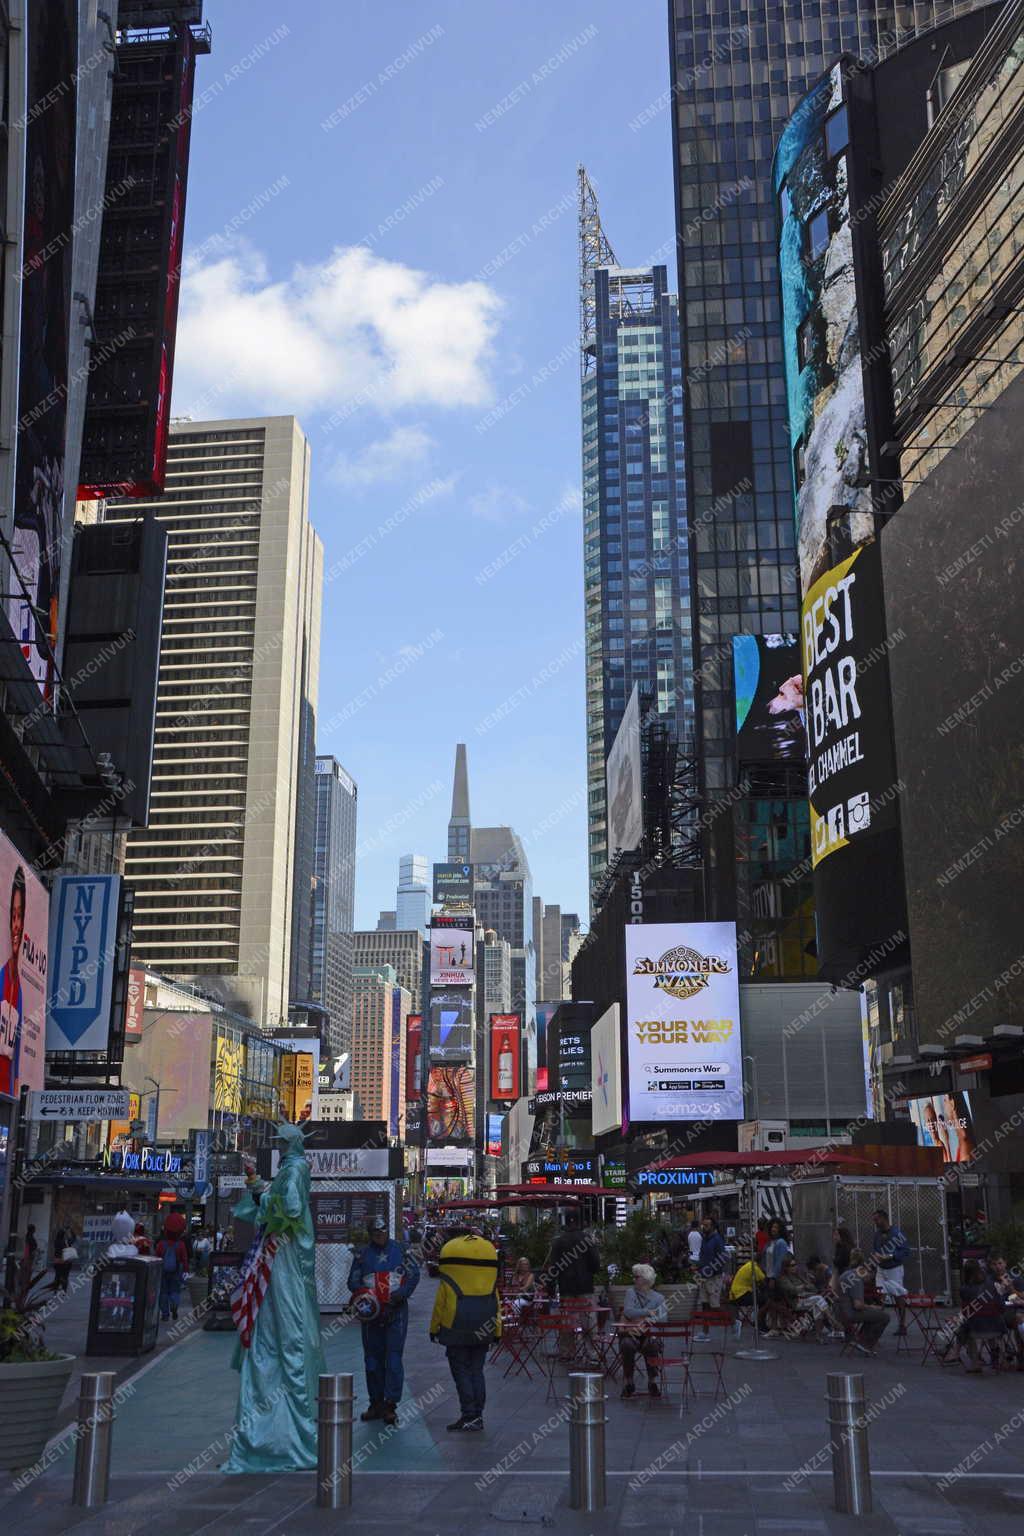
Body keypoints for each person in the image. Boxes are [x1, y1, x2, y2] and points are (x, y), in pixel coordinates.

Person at [224, 1122, 326, 1473]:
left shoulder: (295, 1168)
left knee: (286, 1332)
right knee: (280, 1331)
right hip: (281, 1256)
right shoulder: (293, 1167)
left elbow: (291, 1209)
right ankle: (281, 1430)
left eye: (282, 1142)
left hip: (282, 1255)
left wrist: (260, 1196)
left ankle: (284, 1434)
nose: (279, 1146)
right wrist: (261, 1191)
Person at [348, 1215, 419, 1427]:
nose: (380, 1236)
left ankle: (390, 1404)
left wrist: (398, 1296)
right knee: (372, 1360)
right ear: (371, 1234)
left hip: (396, 1312)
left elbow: (414, 1275)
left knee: (394, 1358)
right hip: (372, 1313)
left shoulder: (401, 1250)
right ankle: (376, 1403)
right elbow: (352, 1281)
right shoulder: (362, 1254)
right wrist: (368, 1297)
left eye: (383, 1231)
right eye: (376, 1233)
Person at [429, 1224, 501, 1434]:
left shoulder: (448, 1275)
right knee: (477, 1371)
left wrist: (434, 1329)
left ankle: (469, 1414)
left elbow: (440, 1304)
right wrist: (497, 1331)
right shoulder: (489, 1270)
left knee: (461, 1370)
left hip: (455, 1325)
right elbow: (496, 1301)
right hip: (484, 1323)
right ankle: (477, 1414)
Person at [619, 1263, 667, 1398]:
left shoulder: (659, 1297)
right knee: (626, 1345)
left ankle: (652, 1382)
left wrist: (640, 1317)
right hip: (631, 1333)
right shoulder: (631, 1293)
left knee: (651, 1345)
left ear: (645, 1279)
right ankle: (629, 1382)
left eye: (636, 1277)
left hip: (651, 1334)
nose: (634, 1279)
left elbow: (663, 1320)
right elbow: (628, 1312)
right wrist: (648, 1312)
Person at [0, 865, 26, 1097]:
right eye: (13, 916)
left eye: (21, 916)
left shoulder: (20, 993)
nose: (16, 924)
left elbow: (17, 1064)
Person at [836, 1250, 890, 1354]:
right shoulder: (857, 1279)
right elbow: (858, 1305)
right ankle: (866, 1343)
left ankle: (859, 1339)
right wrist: (872, 1307)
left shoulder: (846, 1273)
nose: (869, 1280)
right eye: (870, 1277)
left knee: (873, 1316)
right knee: (884, 1317)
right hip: (850, 1314)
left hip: (840, 1312)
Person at [543, 1212, 600, 1302]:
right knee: (586, 1314)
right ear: (579, 1223)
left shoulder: (558, 1241)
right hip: (585, 1285)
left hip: (566, 1287)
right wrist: (591, 1273)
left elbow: (553, 1267)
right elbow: (595, 1261)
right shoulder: (587, 1239)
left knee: (568, 1315)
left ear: (566, 1223)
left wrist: (551, 1289)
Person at [871, 1208, 910, 1335]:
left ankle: (902, 1324)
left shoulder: (896, 1233)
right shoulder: (877, 1234)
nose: (875, 1222)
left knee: (898, 1296)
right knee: (879, 1296)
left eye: (876, 1220)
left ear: (883, 1219)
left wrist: (890, 1256)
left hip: (894, 1269)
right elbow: (876, 1249)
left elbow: (905, 1251)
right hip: (881, 1269)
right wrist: (876, 1257)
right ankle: (875, 1325)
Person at [776, 1255, 830, 1340]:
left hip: (807, 1298)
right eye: (792, 1265)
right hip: (796, 1302)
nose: (794, 1267)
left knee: (818, 1306)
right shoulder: (783, 1279)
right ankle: (832, 1321)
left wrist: (804, 1286)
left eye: (795, 1265)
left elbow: (813, 1288)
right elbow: (792, 1290)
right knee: (819, 1299)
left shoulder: (799, 1275)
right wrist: (804, 1286)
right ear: (786, 1267)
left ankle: (818, 1335)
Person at [693, 1215, 727, 1339]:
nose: (704, 1227)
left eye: (707, 1225)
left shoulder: (717, 1239)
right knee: (705, 1304)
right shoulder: (705, 1238)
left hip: (713, 1277)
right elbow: (703, 1256)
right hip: (704, 1276)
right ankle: (705, 1332)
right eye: (703, 1225)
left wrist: (711, 1269)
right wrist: (698, 1267)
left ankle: (733, 1322)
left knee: (714, 1305)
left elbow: (722, 1257)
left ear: (712, 1226)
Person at [155, 1211, 189, 1321]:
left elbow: (157, 1257)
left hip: (163, 1271)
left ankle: (165, 1314)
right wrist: (186, 1270)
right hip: (176, 1270)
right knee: (175, 1290)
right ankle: (174, 1306)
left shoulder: (161, 1244)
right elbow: (184, 1259)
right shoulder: (181, 1245)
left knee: (163, 1292)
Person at [728, 1258, 765, 1339]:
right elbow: (763, 1282)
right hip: (741, 1295)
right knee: (766, 1300)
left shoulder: (748, 1265)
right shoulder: (755, 1268)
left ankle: (753, 1321)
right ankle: (759, 1324)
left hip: (733, 1295)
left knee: (760, 1299)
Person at [50, 1221, 75, 1292]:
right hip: (65, 1262)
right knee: (65, 1276)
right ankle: (64, 1290)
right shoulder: (66, 1242)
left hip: (57, 1262)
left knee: (57, 1276)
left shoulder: (56, 1242)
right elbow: (73, 1238)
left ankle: (55, 1289)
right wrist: (70, 1230)